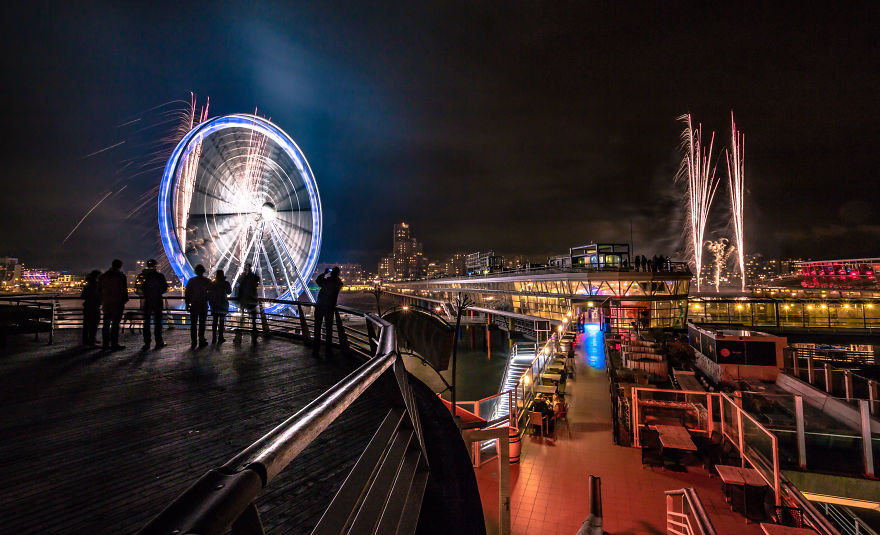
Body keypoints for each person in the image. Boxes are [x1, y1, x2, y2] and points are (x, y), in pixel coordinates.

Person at [136, 259, 168, 350]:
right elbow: (165, 288)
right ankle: (159, 342)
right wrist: (158, 292)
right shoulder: (159, 276)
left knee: (146, 323)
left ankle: (147, 343)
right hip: (157, 301)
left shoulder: (142, 276)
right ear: (156, 266)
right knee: (158, 323)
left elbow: (140, 288)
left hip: (147, 301)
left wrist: (146, 294)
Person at [312, 266, 344, 357]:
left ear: (331, 272)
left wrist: (325, 273)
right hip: (329, 308)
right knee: (329, 330)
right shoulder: (339, 283)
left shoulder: (326, 281)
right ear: (338, 274)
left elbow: (318, 281)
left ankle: (316, 350)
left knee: (317, 329)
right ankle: (328, 351)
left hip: (320, 306)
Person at [97, 259, 128, 350]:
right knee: (115, 324)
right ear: (120, 266)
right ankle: (114, 344)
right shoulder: (121, 276)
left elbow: (98, 290)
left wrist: (103, 299)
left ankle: (105, 344)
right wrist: (124, 300)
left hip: (106, 303)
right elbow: (124, 290)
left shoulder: (103, 276)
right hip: (118, 303)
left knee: (106, 324)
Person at [185, 264, 212, 348]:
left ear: (195, 271)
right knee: (202, 324)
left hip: (194, 305)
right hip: (203, 305)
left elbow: (187, 294)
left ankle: (194, 341)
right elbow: (211, 293)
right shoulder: (207, 281)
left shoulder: (191, 281)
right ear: (203, 271)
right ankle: (201, 339)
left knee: (193, 324)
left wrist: (187, 304)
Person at [234, 263, 260, 344]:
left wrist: (238, 297)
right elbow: (257, 282)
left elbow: (238, 287)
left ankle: (239, 336)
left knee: (241, 319)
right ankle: (254, 336)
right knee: (253, 320)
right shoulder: (253, 277)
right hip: (252, 300)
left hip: (244, 300)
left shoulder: (243, 277)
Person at [209, 269, 232, 344]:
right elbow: (229, 292)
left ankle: (214, 338)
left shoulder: (213, 284)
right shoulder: (225, 283)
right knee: (221, 322)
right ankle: (220, 337)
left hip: (214, 305)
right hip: (223, 305)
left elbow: (210, 293)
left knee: (214, 322)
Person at [80, 270, 101, 346]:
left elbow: (83, 296)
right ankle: (92, 340)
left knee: (86, 325)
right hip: (94, 306)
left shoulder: (87, 283)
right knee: (94, 324)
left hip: (87, 306)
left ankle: (86, 341)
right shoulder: (95, 284)